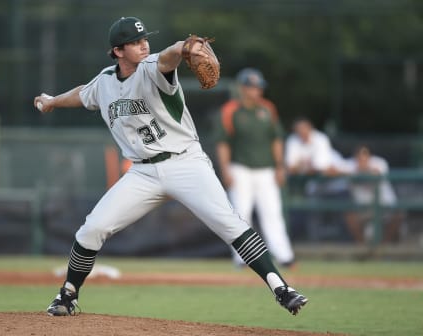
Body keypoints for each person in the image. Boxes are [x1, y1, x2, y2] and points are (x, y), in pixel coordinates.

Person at [34, 16, 307, 317]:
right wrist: (52, 102)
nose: (143, 44)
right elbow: (83, 93)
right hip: (142, 173)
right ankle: (67, 296)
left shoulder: (152, 68)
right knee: (92, 229)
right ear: (118, 51)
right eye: (135, 42)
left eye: (144, 39)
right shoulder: (105, 83)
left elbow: (169, 56)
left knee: (230, 224)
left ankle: (282, 288)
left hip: (185, 163)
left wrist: (185, 46)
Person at [215, 68, 295, 268]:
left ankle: (284, 256)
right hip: (240, 168)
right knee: (241, 214)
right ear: (242, 88)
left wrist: (279, 167)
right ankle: (241, 258)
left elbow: (276, 140)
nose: (256, 91)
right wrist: (225, 169)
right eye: (252, 87)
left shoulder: (268, 109)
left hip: (266, 169)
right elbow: (223, 143)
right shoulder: (230, 110)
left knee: (272, 213)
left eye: (258, 87)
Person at [343, 146, 403, 244]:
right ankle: (363, 248)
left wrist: (361, 170)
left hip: (384, 207)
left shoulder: (379, 162)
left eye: (365, 156)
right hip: (364, 210)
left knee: (399, 213)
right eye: (359, 157)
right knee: (350, 215)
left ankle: (384, 247)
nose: (362, 160)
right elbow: (333, 169)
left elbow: (377, 173)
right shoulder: (349, 165)